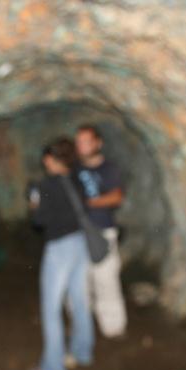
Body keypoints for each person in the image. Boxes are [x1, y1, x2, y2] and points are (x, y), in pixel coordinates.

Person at [28, 138, 94, 370]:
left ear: (52, 159)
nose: (44, 162)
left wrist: (34, 204)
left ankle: (53, 369)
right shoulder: (77, 179)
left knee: (51, 308)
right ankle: (83, 352)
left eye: (47, 158)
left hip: (60, 249)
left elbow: (39, 220)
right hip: (80, 243)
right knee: (79, 300)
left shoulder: (46, 184)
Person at [74, 124, 127, 339]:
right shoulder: (74, 169)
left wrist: (89, 203)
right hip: (77, 234)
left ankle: (113, 329)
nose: (82, 146)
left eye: (87, 141)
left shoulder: (109, 168)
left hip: (103, 231)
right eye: (79, 142)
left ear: (98, 143)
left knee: (106, 282)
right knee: (79, 283)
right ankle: (83, 329)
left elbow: (116, 197)